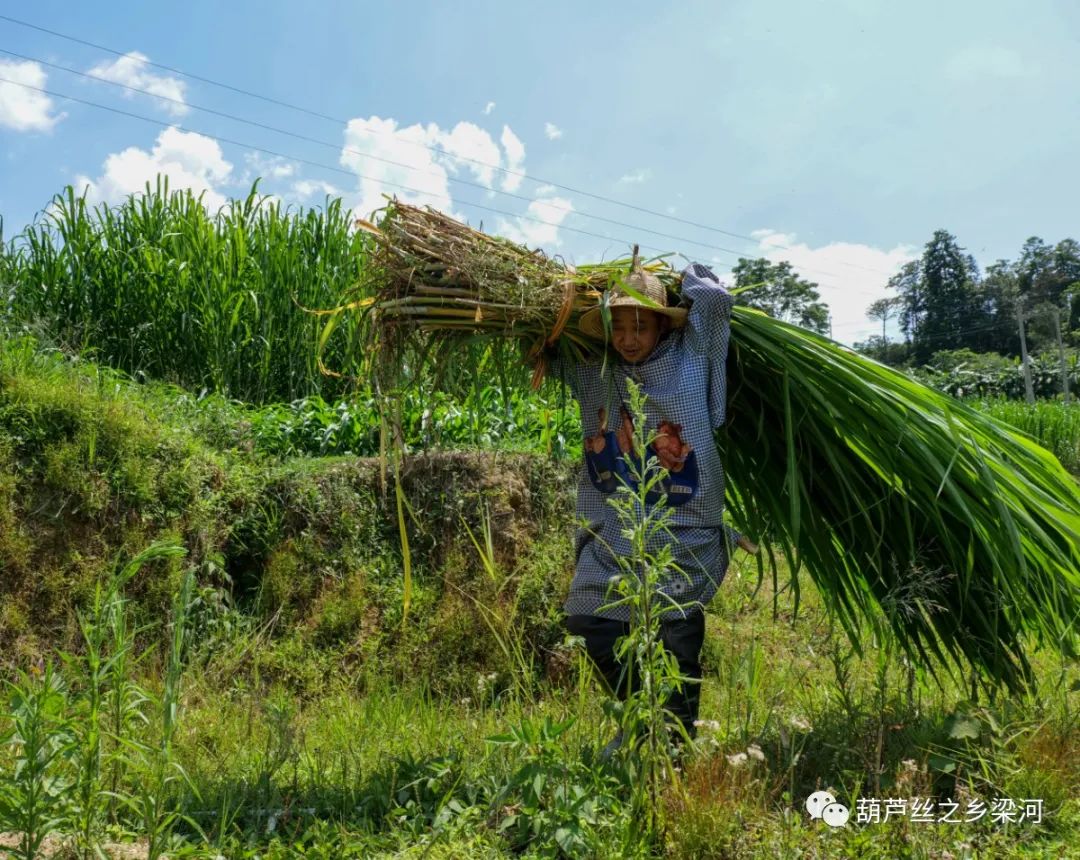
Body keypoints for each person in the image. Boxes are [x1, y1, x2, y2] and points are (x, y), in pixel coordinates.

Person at [550, 251, 756, 752]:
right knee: (587, 619)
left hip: (684, 524)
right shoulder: (596, 371)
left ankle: (676, 747)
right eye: (619, 326)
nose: (628, 338)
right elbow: (544, 346)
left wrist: (684, 279)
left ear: (664, 327)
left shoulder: (692, 357)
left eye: (642, 325)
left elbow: (712, 301)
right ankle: (646, 720)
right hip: (617, 526)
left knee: (677, 636)